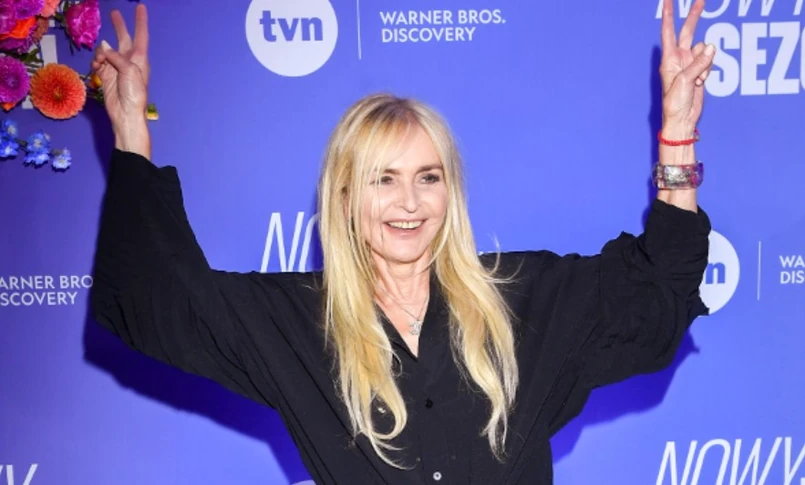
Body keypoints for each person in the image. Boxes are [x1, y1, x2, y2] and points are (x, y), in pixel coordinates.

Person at [88, 0, 715, 483]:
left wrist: (678, 133)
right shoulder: (298, 322)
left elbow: (656, 292)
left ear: (451, 191)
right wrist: (131, 130)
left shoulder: (523, 298)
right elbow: (154, 299)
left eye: (428, 177)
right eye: (383, 179)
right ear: (344, 198)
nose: (409, 202)